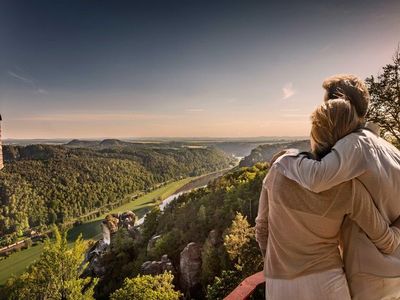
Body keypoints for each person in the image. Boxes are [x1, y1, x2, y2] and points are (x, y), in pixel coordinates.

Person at [255, 99, 400, 300]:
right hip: (328, 284)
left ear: (315, 132)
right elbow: (387, 242)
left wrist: (274, 263)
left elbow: (262, 231)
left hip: (279, 285)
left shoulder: (278, 172)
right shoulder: (350, 188)